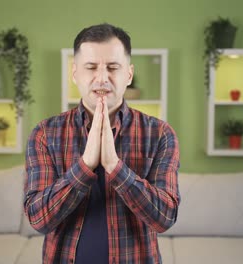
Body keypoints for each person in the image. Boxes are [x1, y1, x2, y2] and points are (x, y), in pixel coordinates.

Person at [24, 23, 180, 264]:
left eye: (112, 67)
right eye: (91, 67)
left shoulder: (160, 134)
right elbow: (38, 218)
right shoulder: (45, 134)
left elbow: (165, 217)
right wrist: (85, 166)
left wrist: (114, 166)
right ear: (75, 73)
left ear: (128, 74)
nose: (102, 78)